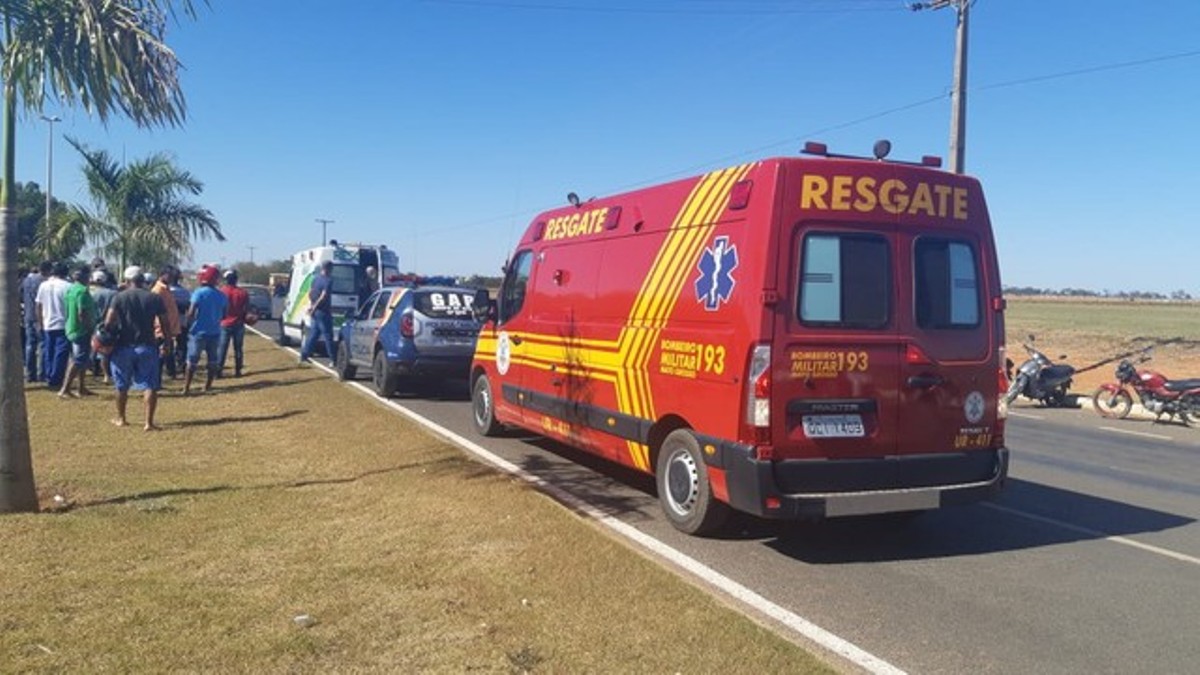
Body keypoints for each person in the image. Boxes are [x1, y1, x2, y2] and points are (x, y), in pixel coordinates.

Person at [104, 266, 169, 430]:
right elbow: (165, 322)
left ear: (127, 281)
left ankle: (121, 418)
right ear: (142, 280)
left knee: (121, 385)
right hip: (147, 345)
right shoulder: (154, 298)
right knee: (150, 385)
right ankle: (149, 422)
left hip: (123, 346)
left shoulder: (119, 297)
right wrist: (167, 342)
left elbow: (108, 321)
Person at [183, 265, 227, 394]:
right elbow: (224, 314)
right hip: (215, 332)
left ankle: (186, 387)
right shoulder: (221, 295)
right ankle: (208, 386)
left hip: (198, 332)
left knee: (192, 361)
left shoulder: (198, 293)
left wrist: (187, 322)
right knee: (212, 361)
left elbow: (191, 312)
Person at [59, 266, 98, 398]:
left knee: (81, 359)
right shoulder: (82, 291)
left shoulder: (71, 290)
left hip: (70, 327)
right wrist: (89, 328)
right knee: (78, 359)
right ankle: (65, 389)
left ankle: (81, 388)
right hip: (81, 330)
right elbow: (82, 313)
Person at [35, 262, 72, 389]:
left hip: (47, 323)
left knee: (48, 351)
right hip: (63, 323)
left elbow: (38, 305)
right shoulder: (68, 286)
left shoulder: (43, 285)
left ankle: (49, 375)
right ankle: (56, 378)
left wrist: (40, 322)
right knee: (60, 353)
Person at [298, 260, 335, 365]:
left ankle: (304, 356)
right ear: (328, 269)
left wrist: (311, 305)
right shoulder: (328, 281)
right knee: (328, 336)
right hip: (323, 311)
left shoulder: (315, 279)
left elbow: (310, 292)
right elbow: (323, 296)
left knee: (313, 334)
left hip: (315, 311)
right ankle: (333, 359)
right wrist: (314, 307)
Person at [150, 265, 181, 379]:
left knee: (167, 352)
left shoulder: (166, 289)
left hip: (169, 328)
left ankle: (170, 373)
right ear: (162, 275)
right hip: (161, 329)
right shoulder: (158, 290)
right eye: (170, 275)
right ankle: (156, 379)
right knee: (161, 355)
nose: (172, 278)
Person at [218, 268, 250, 377]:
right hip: (238, 323)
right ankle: (238, 370)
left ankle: (218, 371)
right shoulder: (243, 293)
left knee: (222, 348)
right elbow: (246, 309)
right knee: (238, 349)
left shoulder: (221, 292)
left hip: (224, 323)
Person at [20, 261, 48, 382]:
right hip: (40, 316)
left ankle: (30, 374)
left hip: (28, 315)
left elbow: (20, 296)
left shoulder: (26, 281)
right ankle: (42, 374)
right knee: (42, 345)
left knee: (29, 345)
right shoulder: (43, 282)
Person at [89, 269, 118, 382]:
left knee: (95, 349)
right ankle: (108, 374)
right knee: (107, 351)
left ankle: (96, 370)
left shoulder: (91, 294)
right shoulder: (113, 293)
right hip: (110, 325)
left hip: (94, 324)